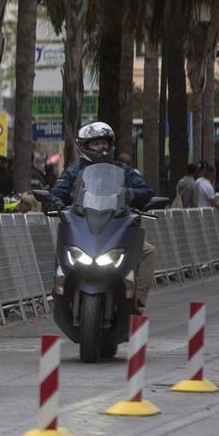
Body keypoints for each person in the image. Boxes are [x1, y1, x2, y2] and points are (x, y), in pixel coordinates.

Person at [50, 121, 155, 311]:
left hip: (117, 226)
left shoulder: (124, 171)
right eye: (95, 143)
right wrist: (55, 203)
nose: (102, 147)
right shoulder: (73, 172)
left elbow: (145, 191)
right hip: (82, 227)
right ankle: (60, 291)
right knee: (63, 250)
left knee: (147, 251)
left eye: (104, 143)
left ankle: (136, 300)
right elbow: (57, 192)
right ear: (84, 147)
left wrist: (129, 193)